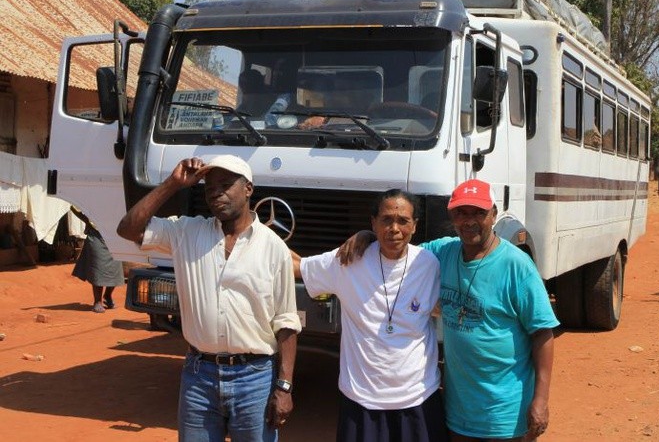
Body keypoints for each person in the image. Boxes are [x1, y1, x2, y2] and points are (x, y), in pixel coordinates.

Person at [339, 179, 559, 441]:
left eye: (479, 212)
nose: (469, 221)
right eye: (461, 213)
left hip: (504, 415)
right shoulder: (442, 252)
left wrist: (541, 400)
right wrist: (368, 236)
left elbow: (543, 334)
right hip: (458, 413)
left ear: (494, 215)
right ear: (451, 216)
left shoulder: (516, 266)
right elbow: (398, 248)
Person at [116, 155, 301, 441]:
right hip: (199, 376)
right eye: (209, 187)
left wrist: (284, 386)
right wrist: (172, 184)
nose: (216, 193)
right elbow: (128, 228)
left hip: (255, 378)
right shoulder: (186, 232)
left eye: (226, 185)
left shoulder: (273, 247)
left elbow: (287, 322)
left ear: (248, 189)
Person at [292, 189, 447, 442]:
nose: (394, 228)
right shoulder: (349, 261)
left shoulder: (430, 264)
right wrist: (250, 229)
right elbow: (296, 266)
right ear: (373, 223)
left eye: (403, 221)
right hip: (361, 401)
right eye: (386, 220)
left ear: (415, 226)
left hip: (418, 398)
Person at [70, 206, 123, 313]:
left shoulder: (117, 197)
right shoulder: (95, 196)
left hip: (114, 237)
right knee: (98, 269)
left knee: (115, 270)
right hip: (97, 236)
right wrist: (87, 220)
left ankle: (107, 295)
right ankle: (97, 301)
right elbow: (74, 207)